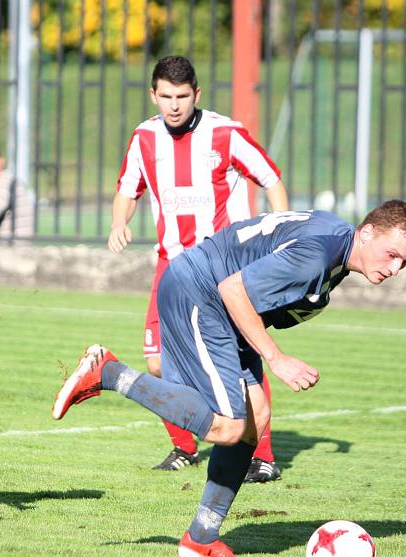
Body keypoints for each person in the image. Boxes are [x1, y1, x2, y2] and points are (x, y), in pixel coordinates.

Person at [54, 200, 406, 557]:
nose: (395, 269)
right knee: (228, 428)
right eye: (391, 255)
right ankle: (109, 373)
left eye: (404, 262)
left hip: (223, 306)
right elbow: (234, 289)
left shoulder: (337, 239)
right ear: (368, 231)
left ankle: (200, 539)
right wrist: (276, 359)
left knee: (255, 419)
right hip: (201, 294)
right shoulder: (317, 256)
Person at [109, 55, 286, 478]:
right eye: (165, 96)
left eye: (182, 97)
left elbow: (271, 178)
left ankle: (263, 457)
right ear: (153, 94)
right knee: (158, 363)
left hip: (222, 266)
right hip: (170, 266)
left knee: (242, 362)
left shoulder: (225, 133)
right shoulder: (144, 138)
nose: (173, 105)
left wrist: (277, 233)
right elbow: (127, 189)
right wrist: (120, 221)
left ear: (197, 94)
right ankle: (184, 446)